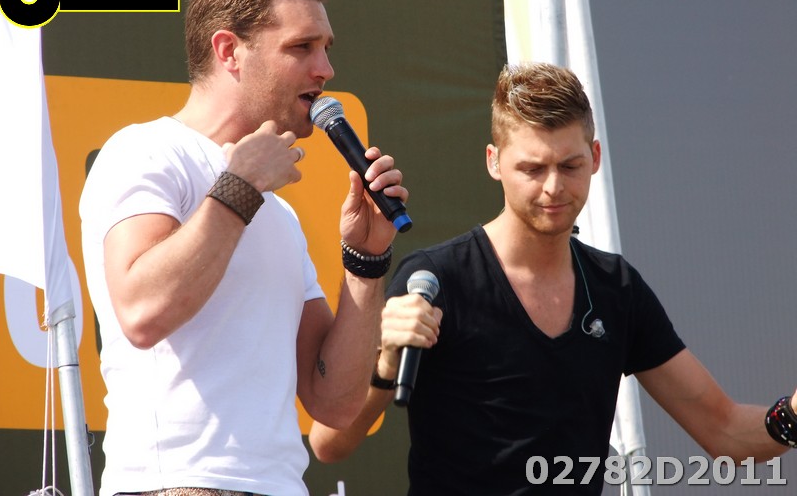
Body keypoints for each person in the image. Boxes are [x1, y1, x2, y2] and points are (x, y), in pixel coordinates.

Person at [308, 61, 797, 494]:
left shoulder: (616, 287)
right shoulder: (435, 279)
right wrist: (387, 364)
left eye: (570, 165)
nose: (553, 187)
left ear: (595, 157)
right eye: (532, 168)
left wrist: (793, 414)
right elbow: (330, 442)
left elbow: (725, 431)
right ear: (494, 162)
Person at [79, 0, 408, 496]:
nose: (325, 69)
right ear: (229, 50)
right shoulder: (148, 151)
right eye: (302, 47)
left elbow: (335, 404)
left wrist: (366, 262)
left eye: (326, 48)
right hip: (175, 485)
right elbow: (142, 312)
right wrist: (240, 188)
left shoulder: (279, 213)